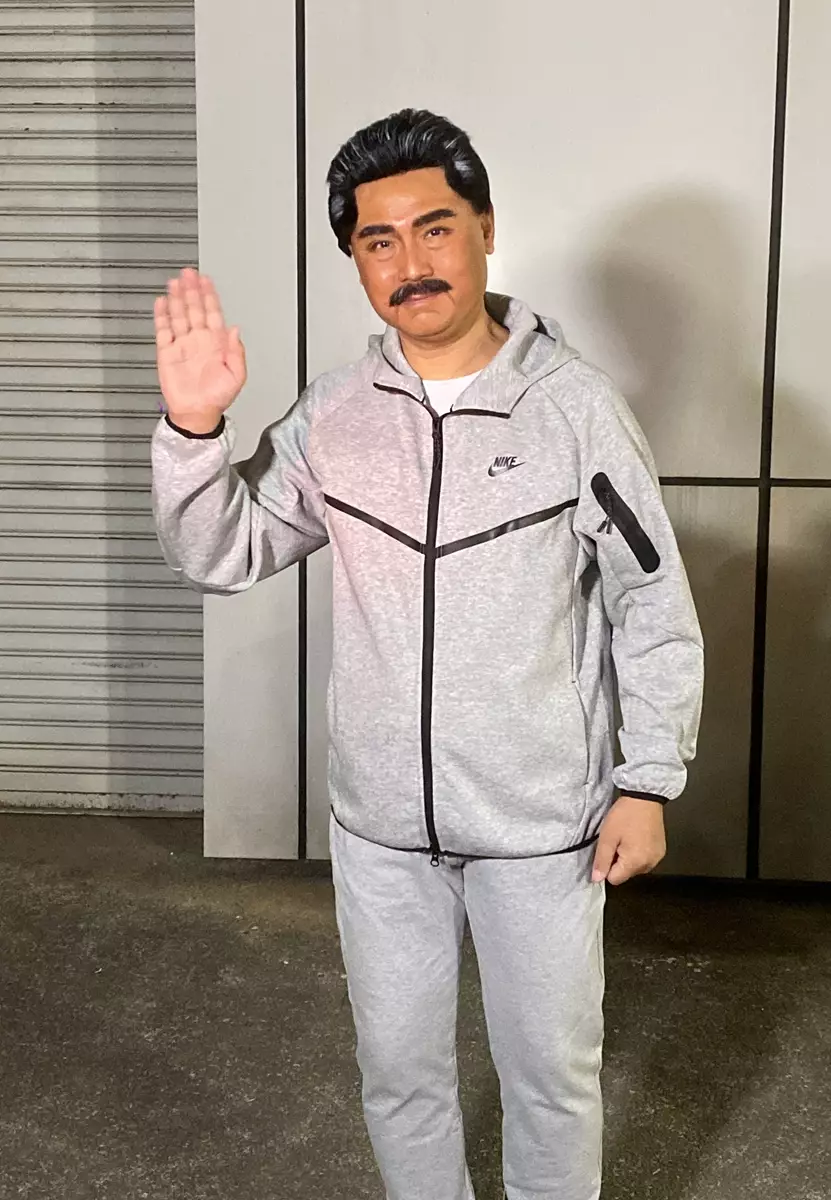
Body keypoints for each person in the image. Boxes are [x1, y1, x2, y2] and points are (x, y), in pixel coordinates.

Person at [151, 108, 704, 1200]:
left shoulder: (575, 411)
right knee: (399, 1078)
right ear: (356, 262)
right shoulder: (336, 416)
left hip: (538, 829)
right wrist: (195, 431)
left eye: (435, 227)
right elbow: (224, 551)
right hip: (380, 833)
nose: (411, 262)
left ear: (486, 229)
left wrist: (647, 781)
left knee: (551, 1081)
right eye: (378, 241)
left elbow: (650, 601)